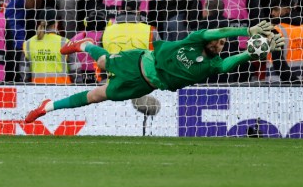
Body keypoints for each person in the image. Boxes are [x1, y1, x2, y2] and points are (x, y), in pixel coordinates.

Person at [25, 21, 283, 123]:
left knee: (96, 96)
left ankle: (48, 106)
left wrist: (250, 53)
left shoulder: (212, 65)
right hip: (137, 61)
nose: (221, 44)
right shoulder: (195, 39)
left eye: (224, 45)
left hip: (145, 84)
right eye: (220, 43)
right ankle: (83, 44)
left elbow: (229, 64)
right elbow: (217, 32)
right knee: (103, 62)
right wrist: (246, 32)